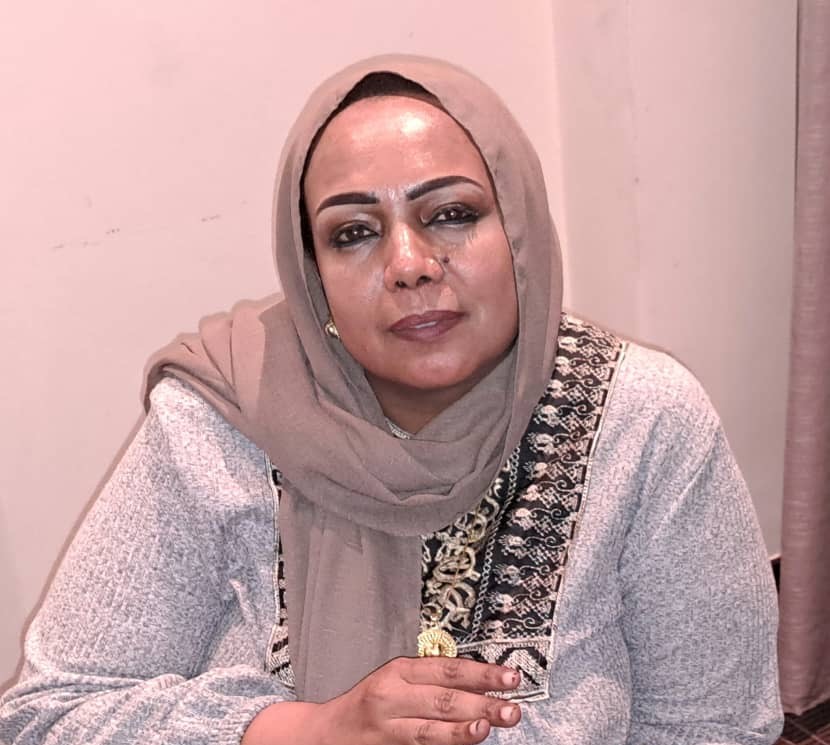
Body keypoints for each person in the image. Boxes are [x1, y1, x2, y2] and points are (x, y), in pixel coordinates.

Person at [0, 55, 782, 745]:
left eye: (452, 214)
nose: (409, 263)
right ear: (313, 276)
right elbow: (45, 718)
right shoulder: (219, 419)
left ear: (520, 231)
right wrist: (302, 730)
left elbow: (713, 727)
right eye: (353, 233)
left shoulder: (644, 421)